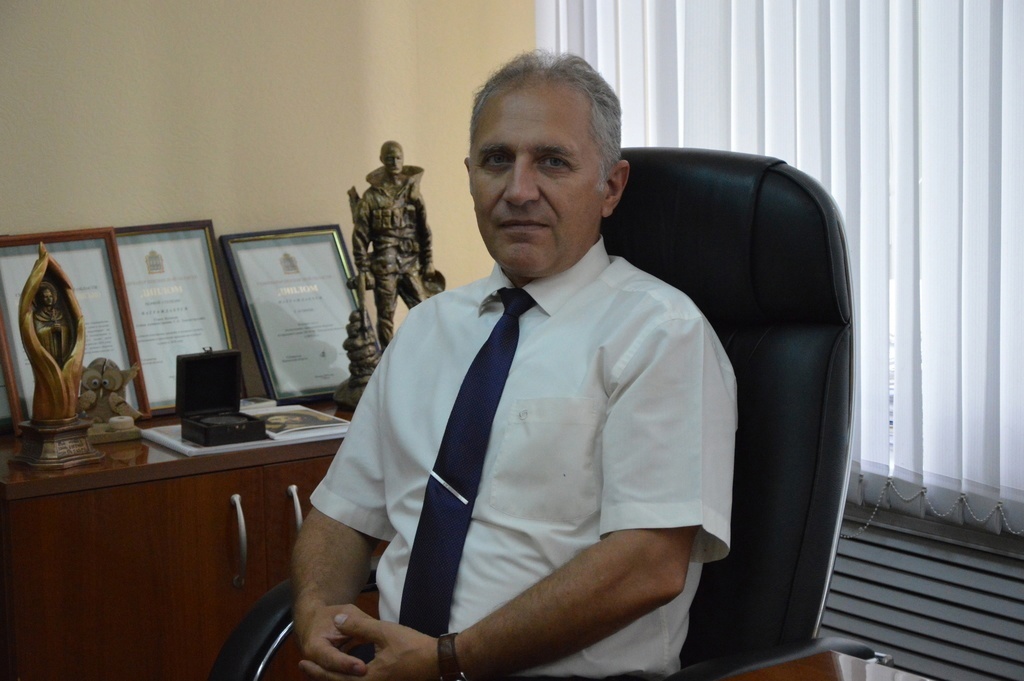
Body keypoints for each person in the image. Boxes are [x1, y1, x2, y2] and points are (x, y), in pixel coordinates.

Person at [293, 51, 737, 681]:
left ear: (611, 188)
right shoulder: (426, 328)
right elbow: (342, 513)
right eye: (497, 160)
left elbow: (648, 565)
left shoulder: (661, 334)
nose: (519, 190)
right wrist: (317, 613)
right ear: (470, 176)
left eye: (552, 162)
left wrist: (448, 661)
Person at [350, 140, 442, 347]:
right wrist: (364, 270)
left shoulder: (412, 193)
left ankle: (430, 352)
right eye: (389, 158)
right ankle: (388, 357)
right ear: (382, 160)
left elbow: (424, 230)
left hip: (411, 263)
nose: (394, 162)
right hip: (385, 265)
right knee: (386, 315)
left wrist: (428, 261)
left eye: (398, 157)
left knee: (425, 308)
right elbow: (360, 237)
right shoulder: (371, 197)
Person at [32, 281, 73, 365]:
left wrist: (62, 329)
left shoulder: (59, 313)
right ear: (40, 299)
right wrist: (50, 330)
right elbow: (38, 332)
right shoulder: (38, 315)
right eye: (46, 297)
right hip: (47, 356)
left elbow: (68, 328)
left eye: (50, 296)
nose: (49, 299)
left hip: (61, 351)